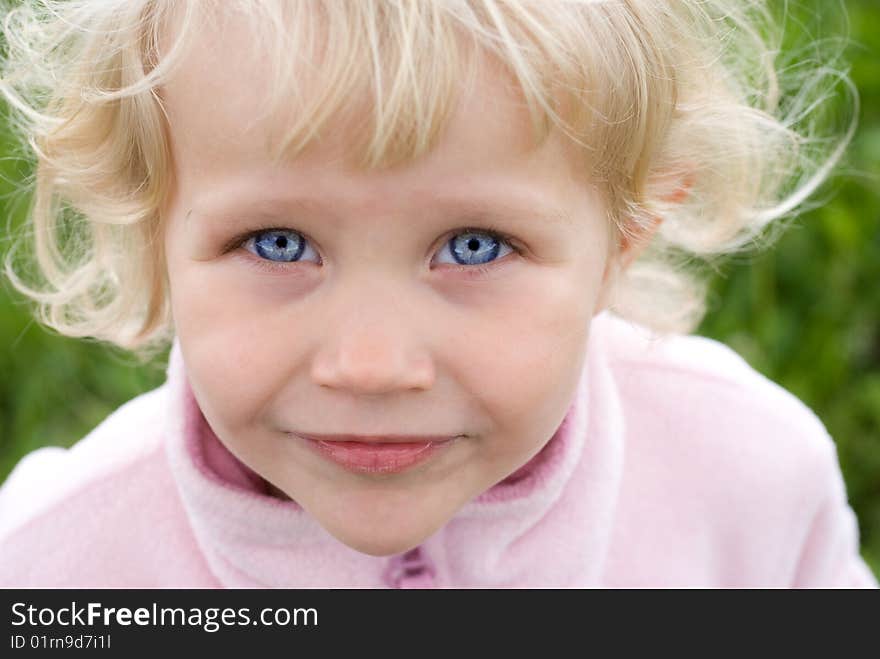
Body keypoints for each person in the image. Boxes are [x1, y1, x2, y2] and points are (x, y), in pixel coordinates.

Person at [0, 0, 875, 588]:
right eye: (279, 243)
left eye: (473, 246)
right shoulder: (61, 568)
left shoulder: (748, 480)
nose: (372, 366)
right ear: (153, 228)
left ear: (624, 235)